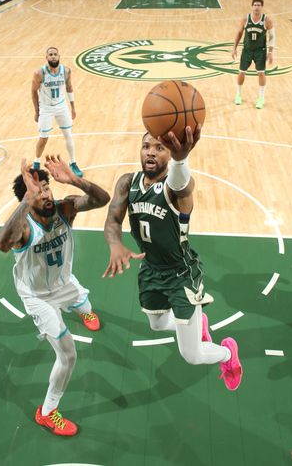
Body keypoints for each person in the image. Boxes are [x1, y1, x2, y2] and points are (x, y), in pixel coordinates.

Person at [103, 126, 243, 390]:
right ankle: (195, 322)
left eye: (160, 147)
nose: (151, 152)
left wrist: (181, 158)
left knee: (192, 355)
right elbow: (112, 220)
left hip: (181, 274)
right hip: (151, 269)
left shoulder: (176, 189)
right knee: (156, 325)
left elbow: (182, 184)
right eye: (147, 146)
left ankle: (228, 354)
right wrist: (114, 243)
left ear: (169, 155)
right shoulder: (127, 182)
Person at [0, 155, 110, 436]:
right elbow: (2, 244)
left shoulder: (65, 209)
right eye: (38, 191)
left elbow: (102, 199)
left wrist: (75, 180)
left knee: (86, 306)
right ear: (26, 200)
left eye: (46, 187)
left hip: (65, 284)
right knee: (68, 355)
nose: (46, 194)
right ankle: (47, 412)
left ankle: (83, 311)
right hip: (38, 297)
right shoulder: (23, 228)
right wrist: (25, 201)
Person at [31, 47, 82, 177]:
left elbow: (69, 88)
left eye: (55, 54)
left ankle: (73, 163)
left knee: (68, 134)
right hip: (46, 108)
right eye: (50, 55)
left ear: (59, 56)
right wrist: (37, 110)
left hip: (61, 106)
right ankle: (36, 163)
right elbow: (33, 91)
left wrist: (73, 107)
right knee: (43, 137)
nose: (53, 56)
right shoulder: (39, 73)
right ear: (46, 58)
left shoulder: (66, 71)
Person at [232, 0, 275, 109]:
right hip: (247, 50)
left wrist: (270, 52)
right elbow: (239, 33)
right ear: (252, 6)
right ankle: (238, 95)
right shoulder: (245, 19)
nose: (256, 7)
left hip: (260, 51)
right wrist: (234, 48)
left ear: (262, 7)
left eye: (258, 5)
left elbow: (272, 36)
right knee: (241, 72)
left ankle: (261, 98)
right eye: (255, 5)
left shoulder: (267, 20)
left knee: (261, 73)